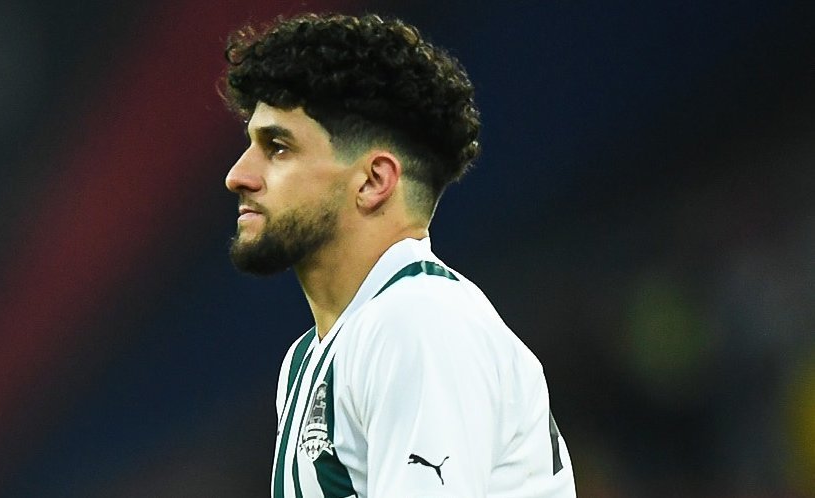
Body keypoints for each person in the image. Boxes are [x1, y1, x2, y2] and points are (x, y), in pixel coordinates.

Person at [221, 12, 576, 498]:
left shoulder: (418, 322)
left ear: (373, 181)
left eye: (278, 147)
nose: (238, 175)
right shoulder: (314, 356)